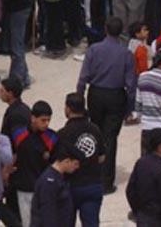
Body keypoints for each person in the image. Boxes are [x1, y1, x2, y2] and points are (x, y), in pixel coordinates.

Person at [75, 15, 136, 193]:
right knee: (110, 139)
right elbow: (131, 85)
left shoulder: (94, 50)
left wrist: (79, 100)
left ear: (105, 29)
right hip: (116, 96)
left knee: (94, 134)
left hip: (96, 94)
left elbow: (83, 78)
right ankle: (106, 183)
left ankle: (90, 176)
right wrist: (130, 109)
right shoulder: (126, 54)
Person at [57, 92, 105, 227]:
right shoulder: (95, 129)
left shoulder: (63, 133)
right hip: (93, 184)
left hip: (71, 186)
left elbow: (58, 162)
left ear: (68, 108)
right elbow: (102, 156)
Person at [11, 100, 57, 226]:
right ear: (33, 118)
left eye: (48, 120)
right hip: (24, 188)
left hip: (44, 189)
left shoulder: (52, 138)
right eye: (43, 120)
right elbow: (12, 157)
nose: (46, 124)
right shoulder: (18, 135)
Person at [126, 127, 161, 227]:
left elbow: (130, 190)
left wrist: (138, 210)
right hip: (158, 219)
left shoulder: (141, 162)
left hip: (143, 216)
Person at [29, 146, 82, 227]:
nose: (77, 167)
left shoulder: (59, 177)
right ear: (66, 161)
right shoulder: (49, 181)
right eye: (75, 164)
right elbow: (47, 211)